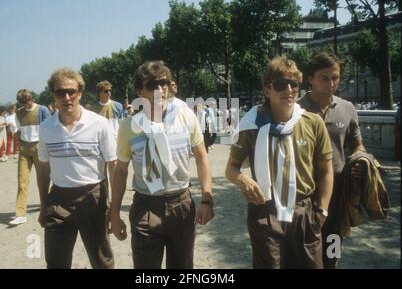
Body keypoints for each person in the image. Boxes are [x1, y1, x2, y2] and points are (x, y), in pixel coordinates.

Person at [225, 56, 334, 269]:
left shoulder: (313, 123)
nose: (289, 90)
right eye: (281, 84)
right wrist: (243, 180)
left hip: (304, 211)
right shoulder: (251, 124)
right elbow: (231, 168)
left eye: (294, 84)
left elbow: (326, 170)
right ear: (268, 90)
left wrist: (321, 211)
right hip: (265, 211)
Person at [109, 60, 214, 269]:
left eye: (163, 83)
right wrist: (114, 213)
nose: (160, 90)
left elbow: (202, 157)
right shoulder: (129, 126)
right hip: (145, 207)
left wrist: (207, 199)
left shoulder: (184, 115)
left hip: (181, 205)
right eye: (152, 85)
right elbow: (120, 171)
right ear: (140, 91)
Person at [37, 68, 116, 269]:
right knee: (56, 262)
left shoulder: (99, 124)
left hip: (93, 197)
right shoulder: (46, 128)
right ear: (53, 95)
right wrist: (44, 204)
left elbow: (113, 166)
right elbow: (43, 170)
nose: (66, 97)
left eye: (71, 91)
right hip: (58, 199)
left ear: (80, 93)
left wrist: (114, 209)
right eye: (60, 92)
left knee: (101, 260)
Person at [298, 52, 367, 269]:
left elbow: (357, 144)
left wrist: (359, 159)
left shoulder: (347, 109)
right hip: (304, 193)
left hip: (338, 192)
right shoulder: (296, 110)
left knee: (333, 242)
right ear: (311, 78)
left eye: (335, 78)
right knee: (305, 247)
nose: (331, 83)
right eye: (324, 78)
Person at [9, 90, 50, 226]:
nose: (26, 104)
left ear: (32, 98)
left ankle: (46, 208)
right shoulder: (18, 113)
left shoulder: (42, 110)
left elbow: (50, 129)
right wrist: (21, 145)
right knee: (22, 181)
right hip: (24, 150)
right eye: (23, 102)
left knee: (43, 181)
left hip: (39, 147)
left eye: (28, 101)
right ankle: (20, 214)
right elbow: (18, 131)